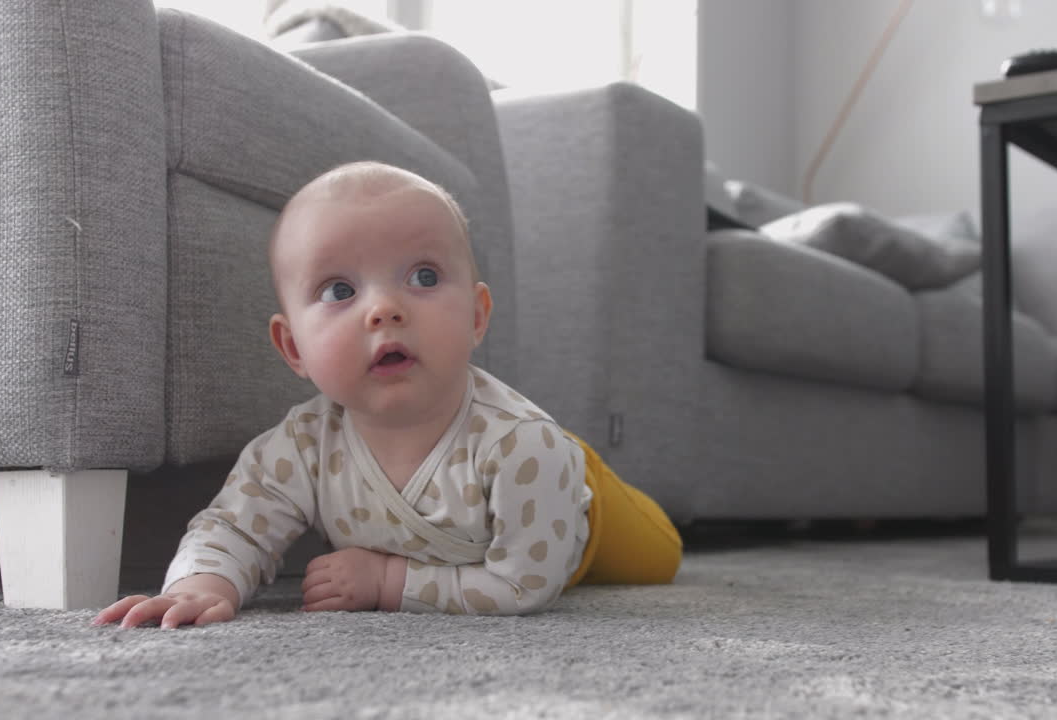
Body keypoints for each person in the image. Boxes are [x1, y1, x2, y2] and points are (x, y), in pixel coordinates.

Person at [93, 161, 682, 628]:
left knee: (661, 558)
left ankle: (614, 488)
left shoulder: (527, 448)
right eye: (340, 289)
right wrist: (201, 584)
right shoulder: (302, 445)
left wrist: (388, 582)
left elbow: (526, 585)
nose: (385, 309)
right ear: (293, 347)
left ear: (477, 316)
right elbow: (236, 526)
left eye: (423, 276)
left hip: (572, 504)